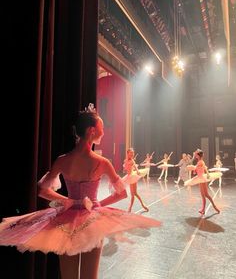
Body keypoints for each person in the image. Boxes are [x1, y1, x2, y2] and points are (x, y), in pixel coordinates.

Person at [0, 104, 161, 279]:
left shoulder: (62, 160)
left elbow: (42, 190)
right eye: (102, 127)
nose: (104, 131)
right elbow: (121, 194)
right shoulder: (102, 162)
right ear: (92, 131)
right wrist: (98, 204)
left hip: (66, 221)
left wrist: (67, 201)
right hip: (92, 221)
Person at [184, 149, 221, 216]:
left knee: (205, 195)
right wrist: (196, 170)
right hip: (201, 178)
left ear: (198, 155)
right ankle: (206, 209)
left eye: (196, 154)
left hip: (201, 179)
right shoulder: (200, 161)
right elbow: (202, 168)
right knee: (204, 195)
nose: (195, 155)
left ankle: (212, 207)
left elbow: (199, 167)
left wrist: (192, 168)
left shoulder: (200, 162)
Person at [123, 148, 149, 212]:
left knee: (133, 194)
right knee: (134, 194)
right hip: (129, 177)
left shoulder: (132, 161)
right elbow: (125, 169)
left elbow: (135, 167)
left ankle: (131, 208)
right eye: (131, 153)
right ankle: (142, 205)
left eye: (133, 153)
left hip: (132, 177)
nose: (132, 154)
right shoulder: (125, 161)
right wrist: (124, 169)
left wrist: (137, 171)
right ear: (127, 153)